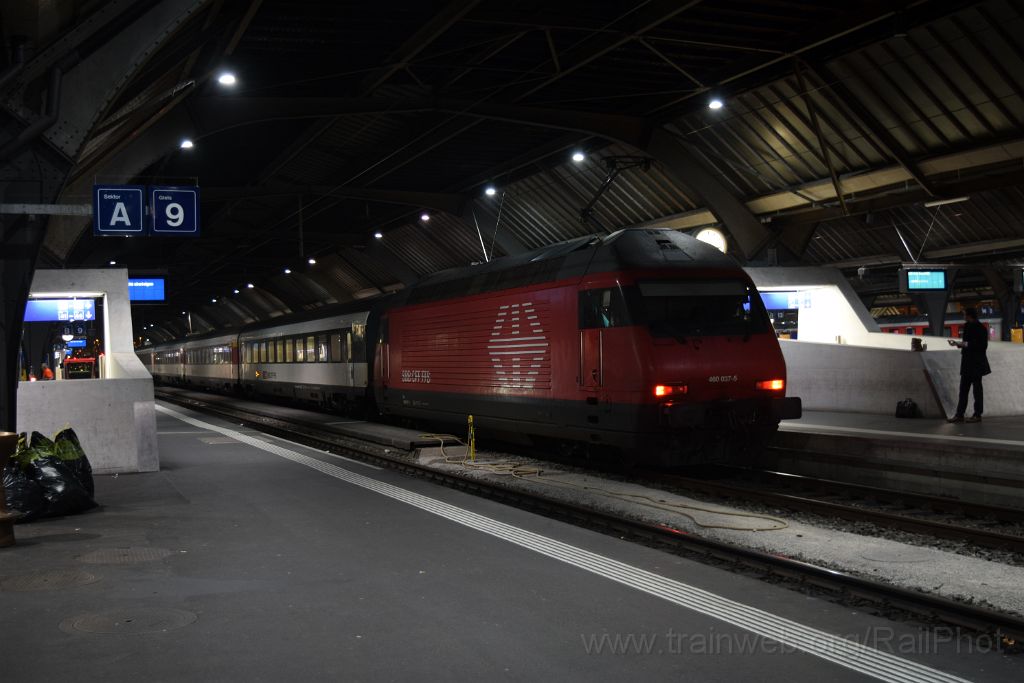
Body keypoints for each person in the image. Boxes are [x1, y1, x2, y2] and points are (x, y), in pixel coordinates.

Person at [946, 307, 991, 423]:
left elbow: (982, 346)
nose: (963, 316)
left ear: (970, 315)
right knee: (963, 390)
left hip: (976, 363)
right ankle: (959, 414)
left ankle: (977, 414)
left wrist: (965, 344)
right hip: (967, 362)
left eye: (965, 314)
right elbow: (967, 343)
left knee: (977, 391)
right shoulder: (966, 326)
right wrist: (959, 344)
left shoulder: (981, 328)